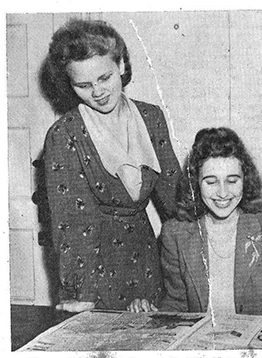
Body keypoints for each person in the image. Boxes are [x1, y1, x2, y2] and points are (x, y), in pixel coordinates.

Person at [42, 18, 181, 312]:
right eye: (83, 85)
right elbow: (72, 225)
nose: (98, 92)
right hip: (95, 267)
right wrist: (82, 296)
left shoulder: (152, 117)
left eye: (104, 78)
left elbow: (175, 197)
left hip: (146, 261)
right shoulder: (64, 134)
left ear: (120, 65)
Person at [129, 127, 262, 319]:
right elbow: (176, 304)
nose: (223, 193)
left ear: (245, 181)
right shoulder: (175, 233)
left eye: (232, 181)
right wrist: (152, 313)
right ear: (195, 183)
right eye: (211, 182)